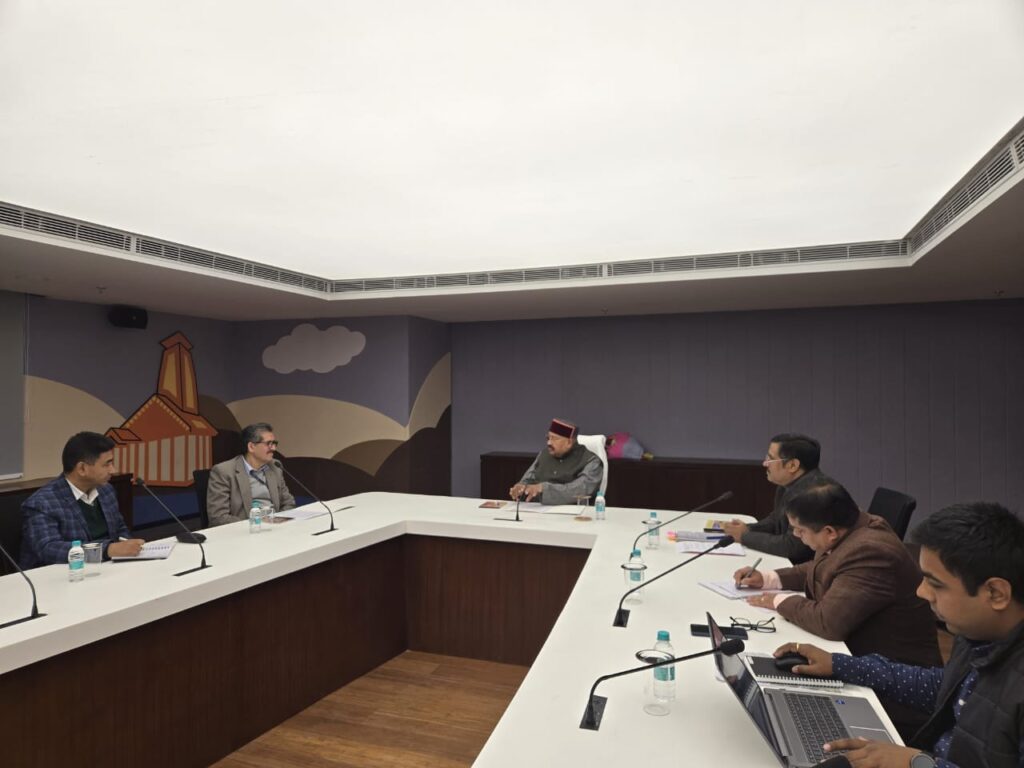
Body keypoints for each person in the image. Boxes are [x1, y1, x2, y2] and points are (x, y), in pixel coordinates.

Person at [773, 501, 1024, 768]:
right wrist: (840, 665)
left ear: (996, 593)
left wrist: (917, 764)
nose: (921, 592)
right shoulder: (980, 633)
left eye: (935, 584)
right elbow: (943, 688)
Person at [735, 478, 941, 737]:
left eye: (800, 531)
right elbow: (822, 568)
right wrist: (769, 578)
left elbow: (828, 622)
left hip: (896, 686)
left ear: (829, 532)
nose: (796, 536)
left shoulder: (871, 550)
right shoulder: (851, 528)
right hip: (861, 660)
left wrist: (778, 601)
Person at [20, 432, 145, 568]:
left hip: (107, 568)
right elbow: (49, 549)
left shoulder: (106, 491)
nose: (113, 470)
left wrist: (129, 546)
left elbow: (120, 528)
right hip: (62, 574)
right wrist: (106, 550)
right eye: (107, 464)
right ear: (82, 469)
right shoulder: (42, 503)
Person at [721, 433, 820, 563]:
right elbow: (776, 520)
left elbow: (793, 547)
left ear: (792, 465)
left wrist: (744, 537)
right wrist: (748, 529)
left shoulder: (812, 495)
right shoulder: (788, 485)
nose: (765, 463)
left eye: (771, 459)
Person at [207, 422, 295, 527]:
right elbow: (218, 517)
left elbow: (288, 503)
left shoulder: (275, 466)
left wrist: (278, 521)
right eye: (269, 444)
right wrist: (257, 523)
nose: (274, 448)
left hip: (275, 526)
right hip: (244, 529)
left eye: (274, 443)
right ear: (251, 447)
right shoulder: (224, 471)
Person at [508, 419, 602, 506]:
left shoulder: (591, 460)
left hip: (572, 513)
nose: (549, 443)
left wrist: (543, 488)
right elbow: (528, 479)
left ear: (569, 442)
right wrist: (520, 488)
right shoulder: (544, 454)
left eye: (554, 439)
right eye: (548, 438)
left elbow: (580, 489)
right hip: (538, 510)